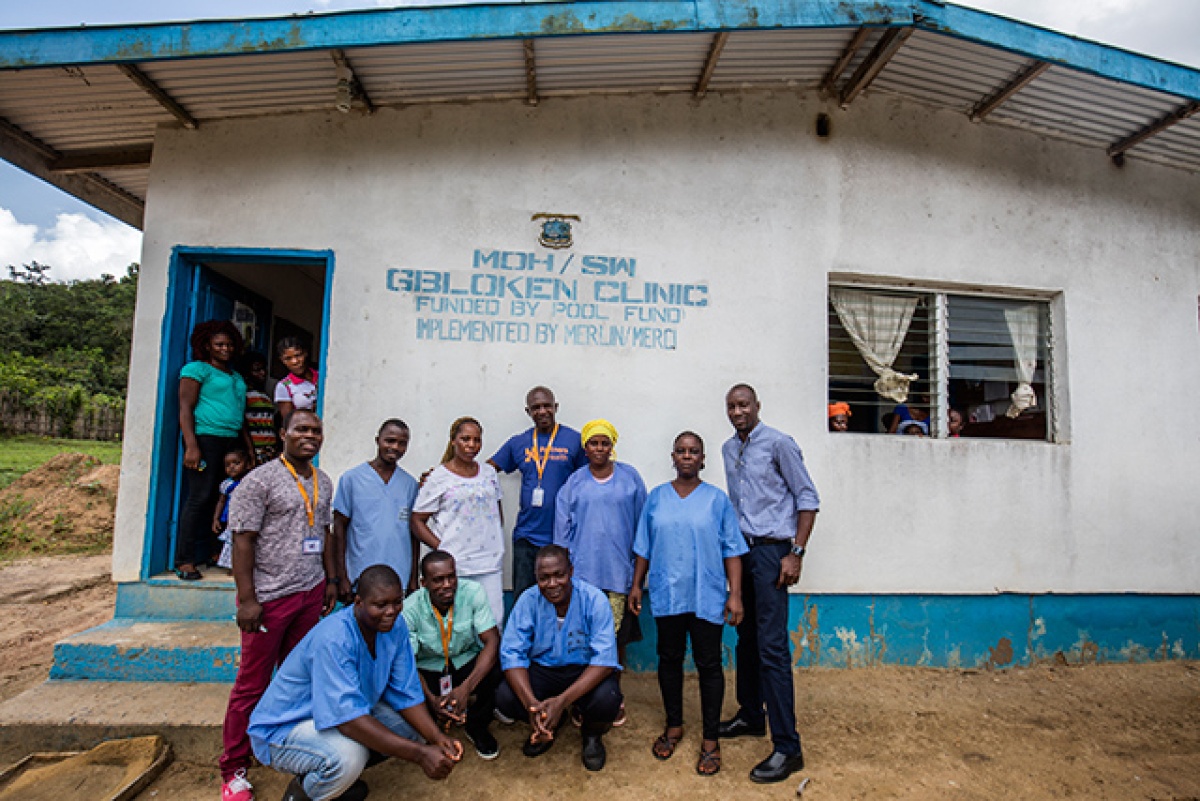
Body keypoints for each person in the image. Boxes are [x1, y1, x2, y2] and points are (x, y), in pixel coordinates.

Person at [248, 566, 462, 801]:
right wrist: (421, 755)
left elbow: (406, 694)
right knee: (348, 756)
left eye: (397, 602)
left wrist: (438, 739)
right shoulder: (335, 638)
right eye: (380, 605)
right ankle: (302, 795)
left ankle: (339, 782)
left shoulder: (395, 627)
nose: (391, 612)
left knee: (414, 727)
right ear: (358, 602)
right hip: (285, 729)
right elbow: (349, 722)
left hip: (338, 715)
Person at [219, 409, 340, 801]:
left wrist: (329, 581)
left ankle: (289, 749)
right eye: (302, 429)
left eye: (316, 431)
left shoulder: (322, 481)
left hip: (309, 593)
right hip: (269, 598)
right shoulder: (259, 481)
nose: (310, 436)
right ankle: (234, 768)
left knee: (298, 678)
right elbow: (243, 541)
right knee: (252, 683)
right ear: (283, 433)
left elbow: (322, 534)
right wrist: (248, 599)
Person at [629, 431, 746, 777]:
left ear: (703, 459)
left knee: (709, 664)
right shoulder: (657, 498)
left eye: (694, 451)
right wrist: (636, 585)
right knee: (669, 659)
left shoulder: (717, 500)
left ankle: (711, 739)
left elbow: (733, 550)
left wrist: (735, 594)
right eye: (681, 451)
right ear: (673, 456)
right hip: (668, 593)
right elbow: (643, 546)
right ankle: (674, 725)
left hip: (706, 594)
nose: (687, 456)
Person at [720, 384, 820, 784]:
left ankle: (787, 747)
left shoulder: (780, 444)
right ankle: (750, 715)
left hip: (773, 552)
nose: (738, 411)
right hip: (741, 552)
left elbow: (808, 498)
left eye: (744, 404)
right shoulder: (730, 449)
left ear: (757, 406)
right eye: (731, 406)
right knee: (744, 638)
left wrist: (795, 552)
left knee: (772, 647)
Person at [496, 545, 622, 771]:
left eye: (559, 575)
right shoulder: (528, 600)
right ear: (536, 577)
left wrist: (562, 701)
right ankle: (547, 724)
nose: (552, 584)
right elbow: (512, 654)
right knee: (505, 696)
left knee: (608, 698)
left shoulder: (594, 600)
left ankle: (591, 734)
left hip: (583, 671)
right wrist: (531, 705)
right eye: (544, 578)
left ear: (571, 571)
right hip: (543, 671)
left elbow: (604, 662)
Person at [553, 418, 646, 724]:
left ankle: (612, 698)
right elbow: (561, 531)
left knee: (615, 641)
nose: (599, 448)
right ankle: (582, 700)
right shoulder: (575, 482)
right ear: (585, 446)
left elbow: (643, 528)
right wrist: (565, 572)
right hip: (583, 577)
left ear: (612, 445)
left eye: (605, 443)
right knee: (585, 640)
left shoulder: (630, 478)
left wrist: (637, 578)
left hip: (619, 576)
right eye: (593, 443)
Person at [490, 386, 588, 601]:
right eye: (536, 407)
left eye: (547, 406)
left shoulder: (574, 440)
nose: (542, 411)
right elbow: (485, 470)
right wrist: (445, 473)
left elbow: (591, 477)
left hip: (562, 538)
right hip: (527, 536)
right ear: (528, 412)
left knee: (561, 601)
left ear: (556, 407)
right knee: (524, 600)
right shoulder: (518, 442)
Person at [402, 550, 502, 760]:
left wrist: (465, 690)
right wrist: (431, 699)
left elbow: (492, 640)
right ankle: (435, 726)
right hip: (429, 670)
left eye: (451, 576)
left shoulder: (473, 592)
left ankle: (476, 724)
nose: (447, 585)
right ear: (423, 583)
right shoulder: (410, 609)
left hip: (464, 662)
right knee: (408, 696)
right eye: (438, 580)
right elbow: (406, 663)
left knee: (498, 663)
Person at [412, 417, 506, 629]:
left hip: (489, 562)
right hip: (456, 564)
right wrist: (442, 549)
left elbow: (496, 510)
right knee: (460, 625)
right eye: (465, 439)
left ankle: (490, 663)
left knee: (493, 621)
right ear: (453, 441)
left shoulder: (489, 473)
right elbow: (417, 520)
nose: (471, 445)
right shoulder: (438, 477)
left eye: (476, 440)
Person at [177, 319, 250, 580]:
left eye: (229, 344)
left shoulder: (236, 376)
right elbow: (185, 408)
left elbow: (241, 415)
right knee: (201, 496)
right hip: (206, 438)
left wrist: (248, 449)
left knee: (227, 497)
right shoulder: (196, 370)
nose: (225, 349)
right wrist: (191, 446)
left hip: (232, 441)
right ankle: (185, 559)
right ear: (207, 345)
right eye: (219, 344)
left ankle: (213, 551)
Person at [333, 419, 420, 600]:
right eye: (389, 441)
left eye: (402, 443)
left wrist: (412, 579)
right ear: (377, 440)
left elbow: (413, 535)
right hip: (360, 577)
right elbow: (339, 529)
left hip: (399, 579)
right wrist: (341, 577)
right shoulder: (351, 479)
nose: (395, 447)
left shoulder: (410, 485)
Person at [213, 449, 252, 570]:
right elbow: (221, 501)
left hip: (247, 518)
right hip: (232, 519)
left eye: (236, 463)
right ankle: (232, 566)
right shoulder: (226, 484)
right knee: (231, 542)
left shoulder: (251, 482)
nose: (232, 467)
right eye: (227, 465)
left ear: (248, 464)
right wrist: (216, 519)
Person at [240, 352, 278, 465]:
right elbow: (243, 425)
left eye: (263, 369)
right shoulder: (245, 395)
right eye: (257, 370)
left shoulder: (265, 395)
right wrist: (250, 450)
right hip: (254, 449)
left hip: (269, 449)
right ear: (247, 373)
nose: (263, 373)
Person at [274, 336, 319, 421]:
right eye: (288, 358)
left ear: (305, 353)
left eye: (298, 355)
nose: (295, 361)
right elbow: (289, 421)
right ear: (282, 361)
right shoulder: (284, 385)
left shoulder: (322, 377)